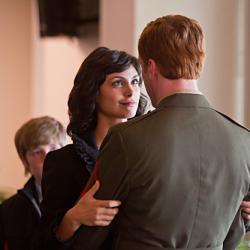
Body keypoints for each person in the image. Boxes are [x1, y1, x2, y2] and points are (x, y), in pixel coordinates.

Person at [71, 15, 250, 250]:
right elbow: (234, 233)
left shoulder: (126, 138)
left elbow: (91, 235)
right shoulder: (243, 140)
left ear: (151, 67)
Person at [35, 47, 147, 249]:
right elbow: (44, 243)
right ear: (93, 91)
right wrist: (73, 218)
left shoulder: (148, 154)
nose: (131, 91)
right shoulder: (61, 163)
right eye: (118, 83)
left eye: (135, 82)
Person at [0, 116, 66, 250]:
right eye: (37, 152)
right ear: (25, 161)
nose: (46, 157)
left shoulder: (82, 198)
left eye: (53, 148)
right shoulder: (7, 211)